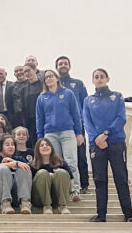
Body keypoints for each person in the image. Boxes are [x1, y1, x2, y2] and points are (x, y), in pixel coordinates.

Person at [83, 68, 132, 222]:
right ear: (93, 80)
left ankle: (129, 214)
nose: (99, 79)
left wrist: (105, 134)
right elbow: (87, 121)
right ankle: (101, 215)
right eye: (96, 77)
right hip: (96, 145)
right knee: (99, 180)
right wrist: (97, 139)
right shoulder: (88, 100)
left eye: (102, 76)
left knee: (121, 178)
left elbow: (121, 118)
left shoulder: (117, 96)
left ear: (107, 79)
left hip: (115, 142)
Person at [36, 69, 83, 202]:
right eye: (46, 77)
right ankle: (61, 190)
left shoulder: (68, 93)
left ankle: (75, 190)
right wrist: (41, 137)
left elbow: (76, 113)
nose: (49, 79)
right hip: (50, 134)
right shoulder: (41, 97)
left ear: (57, 78)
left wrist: (79, 133)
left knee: (71, 160)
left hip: (68, 132)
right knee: (56, 162)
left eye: (51, 76)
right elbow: (39, 118)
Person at [56, 56, 89, 194]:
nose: (63, 65)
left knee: (80, 155)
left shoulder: (78, 84)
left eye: (65, 63)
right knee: (62, 157)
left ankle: (84, 184)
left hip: (77, 125)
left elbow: (85, 104)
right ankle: (65, 184)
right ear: (56, 67)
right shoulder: (53, 85)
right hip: (59, 127)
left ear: (69, 66)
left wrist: (83, 124)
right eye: (60, 64)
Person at [0, 134, 32, 214]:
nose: (11, 146)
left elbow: (27, 168)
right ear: (1, 147)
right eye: (7, 144)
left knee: (24, 168)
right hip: (0, 196)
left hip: (17, 196)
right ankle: (6, 204)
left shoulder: (19, 159)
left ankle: (25, 203)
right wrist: (14, 164)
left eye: (12, 144)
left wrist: (14, 162)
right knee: (3, 169)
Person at [31, 138, 73, 214]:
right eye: (41, 145)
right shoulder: (32, 165)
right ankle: (47, 206)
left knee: (61, 172)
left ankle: (63, 206)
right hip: (39, 198)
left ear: (51, 148)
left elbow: (71, 181)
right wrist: (48, 177)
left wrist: (54, 177)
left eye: (47, 145)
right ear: (37, 149)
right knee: (42, 173)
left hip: (58, 197)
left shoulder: (61, 163)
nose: (45, 146)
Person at [13, 63, 43, 148]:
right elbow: (23, 108)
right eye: (25, 72)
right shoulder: (24, 89)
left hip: (44, 120)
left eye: (28, 70)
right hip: (31, 122)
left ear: (35, 70)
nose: (26, 73)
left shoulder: (43, 85)